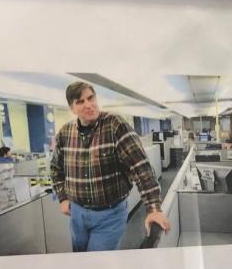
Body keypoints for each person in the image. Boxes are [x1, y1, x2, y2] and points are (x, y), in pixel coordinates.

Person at [49, 80, 171, 253]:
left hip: (109, 214)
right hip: (77, 213)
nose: (89, 105)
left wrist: (154, 209)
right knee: (79, 260)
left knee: (97, 265)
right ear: (72, 108)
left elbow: (141, 168)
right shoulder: (65, 133)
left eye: (91, 98)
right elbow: (55, 169)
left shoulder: (115, 126)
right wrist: (62, 198)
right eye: (81, 102)